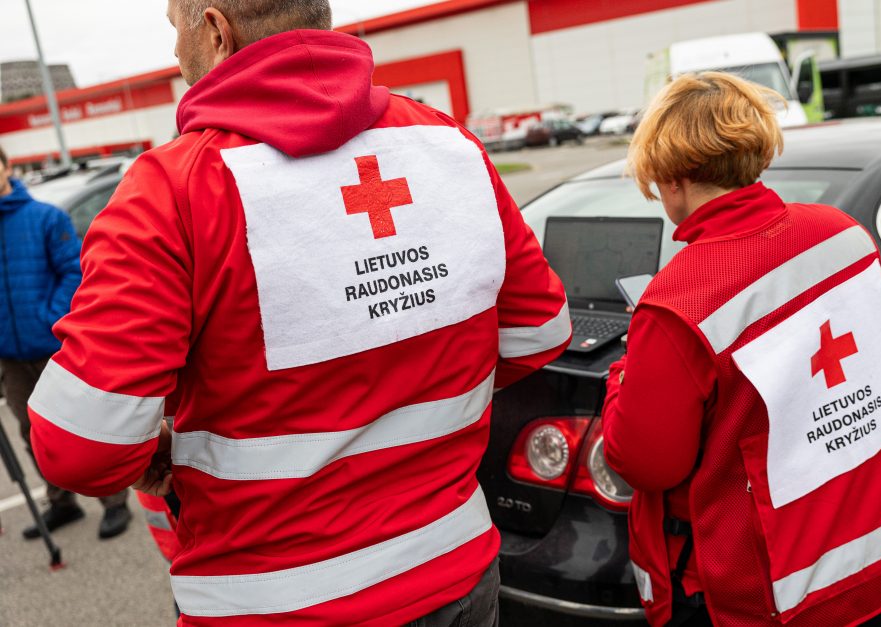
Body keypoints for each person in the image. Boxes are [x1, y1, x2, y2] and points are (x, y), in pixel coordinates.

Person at [27, 1, 571, 624]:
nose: (175, 53)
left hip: (272, 599)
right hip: (455, 572)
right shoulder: (449, 144)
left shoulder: (170, 190)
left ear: (214, 28)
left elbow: (81, 447)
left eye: (174, 29)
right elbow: (539, 332)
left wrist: (163, 462)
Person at [602, 72, 881, 627]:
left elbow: (646, 463)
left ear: (674, 177)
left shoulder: (679, 302)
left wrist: (625, 376)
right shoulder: (843, 235)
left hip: (775, 596)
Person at [0, 146, 130, 540]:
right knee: (31, 433)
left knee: (81, 426)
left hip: (54, 347)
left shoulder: (45, 218)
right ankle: (61, 503)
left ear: (8, 166)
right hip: (11, 356)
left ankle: (114, 502)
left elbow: (74, 272)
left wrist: (49, 320)